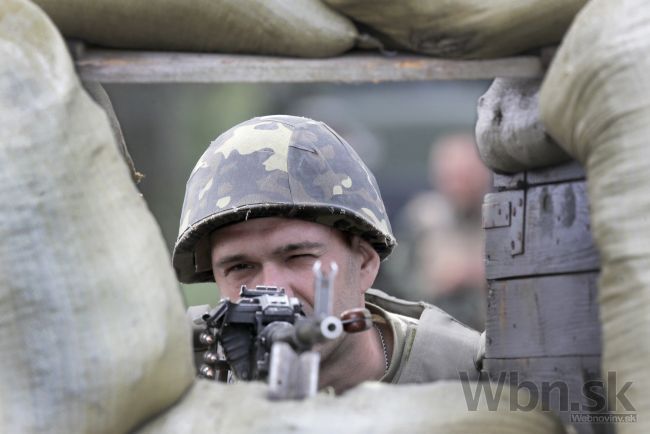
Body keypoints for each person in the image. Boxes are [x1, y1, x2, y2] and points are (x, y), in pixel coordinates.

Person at [172, 115, 483, 393]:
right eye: (240, 266)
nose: (275, 288)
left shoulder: (470, 375)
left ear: (364, 263)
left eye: (298, 257)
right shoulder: (179, 374)